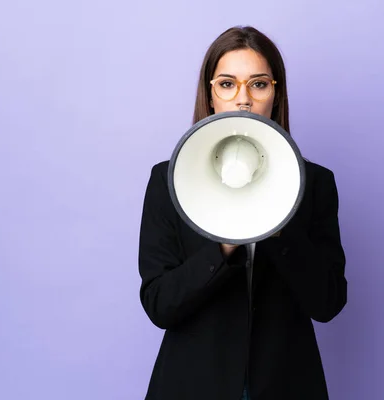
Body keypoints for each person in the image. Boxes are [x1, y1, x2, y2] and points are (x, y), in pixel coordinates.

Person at [138, 26, 347, 400]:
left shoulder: (315, 183)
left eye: (259, 84)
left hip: (287, 384)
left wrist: (278, 226)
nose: (243, 99)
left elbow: (328, 303)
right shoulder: (168, 182)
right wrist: (223, 245)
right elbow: (159, 305)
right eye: (227, 84)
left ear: (276, 93)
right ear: (210, 93)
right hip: (192, 385)